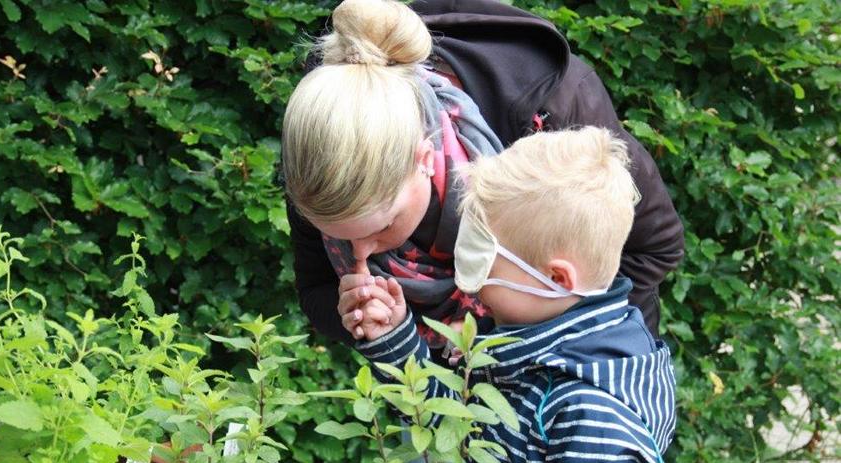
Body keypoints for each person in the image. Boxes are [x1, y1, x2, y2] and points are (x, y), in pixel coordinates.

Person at [350, 127, 678, 463]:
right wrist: (394, 338)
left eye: (484, 258)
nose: (471, 280)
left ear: (556, 277)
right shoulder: (529, 349)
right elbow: (451, 428)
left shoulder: (589, 414)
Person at [283, 0, 684, 355]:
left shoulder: (549, 113)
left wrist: (513, 335)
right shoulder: (323, 148)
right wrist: (364, 321)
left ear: (425, 158)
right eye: (337, 236)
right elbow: (317, 286)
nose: (360, 258)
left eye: (383, 227)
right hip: (430, 385)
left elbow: (654, 248)